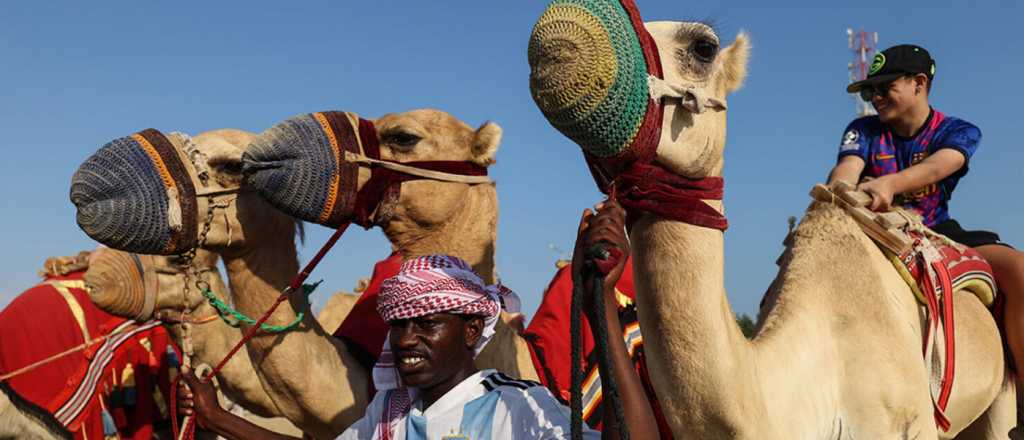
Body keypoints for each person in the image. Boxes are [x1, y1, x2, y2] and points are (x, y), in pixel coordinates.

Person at [178, 206, 658, 440]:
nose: (406, 339)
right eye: (399, 324)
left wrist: (600, 302)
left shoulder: (518, 408)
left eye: (426, 324)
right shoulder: (390, 414)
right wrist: (216, 417)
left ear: (471, 329)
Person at [828, 44, 1024, 385]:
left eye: (885, 87)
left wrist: (888, 184)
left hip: (937, 231)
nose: (875, 97)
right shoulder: (863, 130)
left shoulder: (958, 131)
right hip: (877, 232)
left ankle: (1021, 387)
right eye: (871, 90)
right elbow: (846, 169)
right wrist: (840, 191)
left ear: (919, 83)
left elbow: (939, 166)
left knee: (1019, 269)